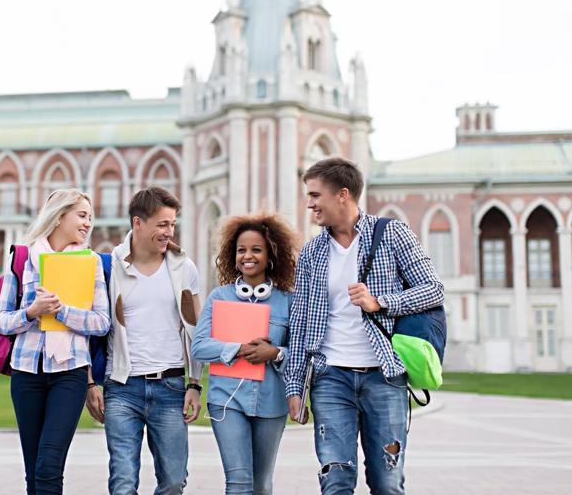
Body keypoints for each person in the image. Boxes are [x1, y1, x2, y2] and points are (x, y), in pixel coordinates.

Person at [285, 157, 444, 495]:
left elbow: (433, 289)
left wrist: (381, 302)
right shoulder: (312, 252)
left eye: (315, 195)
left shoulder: (391, 234)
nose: (309, 203)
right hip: (330, 379)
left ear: (343, 194)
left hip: (384, 376)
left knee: (387, 481)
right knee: (336, 478)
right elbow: (299, 323)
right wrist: (295, 386)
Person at [85, 186, 203, 495]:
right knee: (123, 482)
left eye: (173, 224)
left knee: (174, 482)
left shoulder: (184, 268)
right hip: (123, 389)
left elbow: (196, 329)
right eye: (162, 224)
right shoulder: (109, 268)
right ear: (138, 223)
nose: (169, 232)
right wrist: (89, 383)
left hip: (171, 387)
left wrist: (195, 384)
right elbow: (89, 330)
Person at [0, 189, 110, 495]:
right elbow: (2, 320)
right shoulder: (22, 259)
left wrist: (62, 312)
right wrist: (32, 313)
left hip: (69, 374)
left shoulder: (91, 263)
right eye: (82, 215)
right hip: (26, 374)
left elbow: (101, 322)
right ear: (59, 216)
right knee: (33, 471)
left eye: (91, 218)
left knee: (49, 466)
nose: (88, 224)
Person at [191, 213, 299, 495]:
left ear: (270, 254)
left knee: (261, 485)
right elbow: (199, 346)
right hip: (226, 401)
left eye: (256, 249)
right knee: (238, 482)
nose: (247, 256)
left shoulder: (288, 301)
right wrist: (237, 349)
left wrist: (274, 353)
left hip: (271, 403)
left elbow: (300, 355)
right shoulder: (219, 297)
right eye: (241, 250)